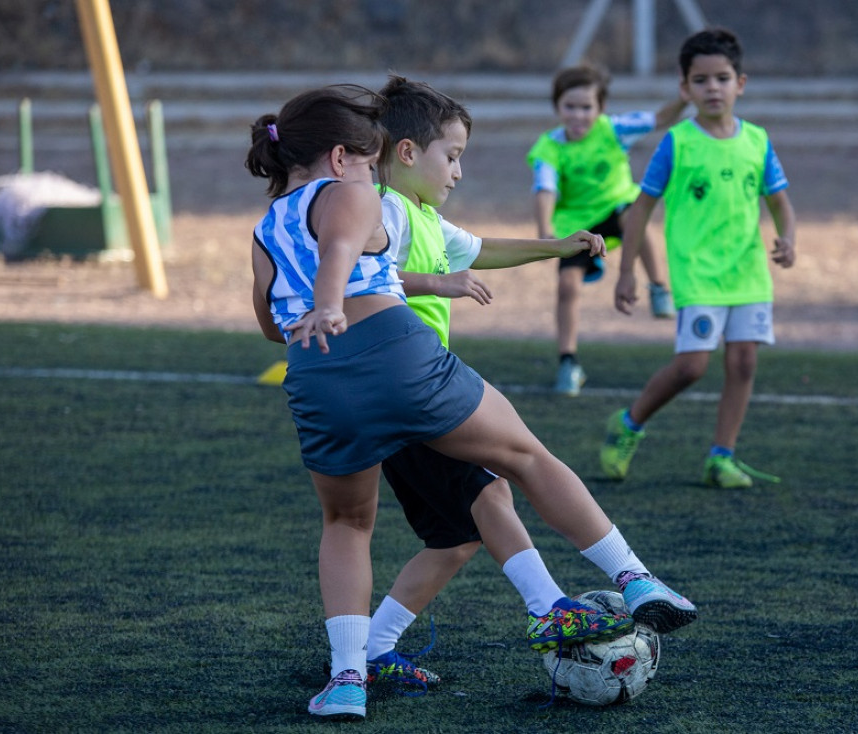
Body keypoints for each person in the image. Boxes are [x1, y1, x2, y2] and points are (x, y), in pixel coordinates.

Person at [245, 84, 698, 723]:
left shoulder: (264, 230)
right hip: (393, 352)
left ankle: (348, 679)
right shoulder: (351, 190)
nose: (372, 170)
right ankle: (632, 580)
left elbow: (268, 321)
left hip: (315, 377)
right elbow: (344, 250)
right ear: (343, 155)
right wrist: (333, 299)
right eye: (369, 157)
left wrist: (316, 309)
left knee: (347, 525)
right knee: (526, 458)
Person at [365, 75, 639, 691]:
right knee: (493, 488)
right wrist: (436, 283)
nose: (458, 171)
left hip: (415, 388)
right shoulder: (386, 210)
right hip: (405, 390)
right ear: (407, 153)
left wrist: (558, 246)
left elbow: (485, 249)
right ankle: (547, 607)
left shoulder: (425, 216)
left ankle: (373, 652)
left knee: (456, 537)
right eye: (452, 156)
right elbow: (363, 276)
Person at [600, 27, 797, 488]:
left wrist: (788, 238)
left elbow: (781, 201)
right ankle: (629, 423)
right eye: (702, 80)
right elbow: (641, 208)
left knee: (744, 362)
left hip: (748, 271)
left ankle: (721, 456)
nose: (713, 88)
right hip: (697, 272)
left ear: (740, 84)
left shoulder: (758, 141)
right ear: (685, 89)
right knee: (692, 366)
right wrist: (628, 272)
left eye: (722, 78)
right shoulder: (678, 143)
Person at [527, 63, 686, 396]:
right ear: (557, 107)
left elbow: (659, 119)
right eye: (570, 106)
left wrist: (684, 100)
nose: (578, 115)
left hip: (617, 206)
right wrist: (545, 230)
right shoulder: (549, 147)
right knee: (567, 286)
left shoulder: (614, 129)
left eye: (587, 107)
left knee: (635, 218)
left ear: (600, 109)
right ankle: (569, 362)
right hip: (578, 224)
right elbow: (545, 189)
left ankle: (659, 287)